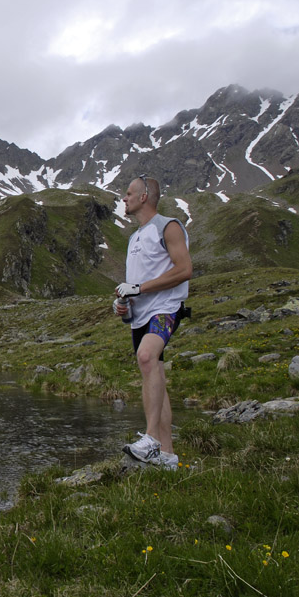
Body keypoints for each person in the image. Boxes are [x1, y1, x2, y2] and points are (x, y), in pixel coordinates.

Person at [113, 174, 192, 469]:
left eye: (129, 193)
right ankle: (168, 454)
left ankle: (150, 440)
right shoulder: (134, 237)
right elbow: (136, 282)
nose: (124, 198)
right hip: (140, 316)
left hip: (165, 308)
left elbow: (184, 269)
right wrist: (123, 302)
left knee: (147, 357)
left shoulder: (167, 226)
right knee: (153, 371)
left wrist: (140, 289)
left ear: (144, 196)